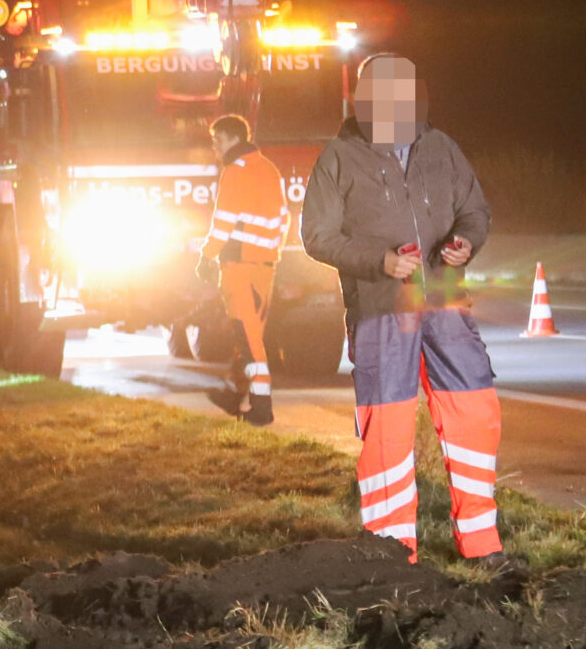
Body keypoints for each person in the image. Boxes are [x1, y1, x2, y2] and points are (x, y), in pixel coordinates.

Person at [301, 53, 514, 569]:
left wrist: (466, 242)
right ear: (363, 97)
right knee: (388, 426)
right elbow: (317, 236)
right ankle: (392, 554)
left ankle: (482, 546)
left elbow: (474, 209)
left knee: (475, 413)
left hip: (443, 299)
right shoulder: (338, 156)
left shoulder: (441, 147)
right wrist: (380, 262)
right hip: (380, 308)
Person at [199, 113, 287, 425]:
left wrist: (207, 255)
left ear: (235, 139)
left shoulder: (234, 172)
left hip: (239, 266)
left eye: (218, 141)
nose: (215, 148)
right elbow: (281, 220)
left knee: (249, 340)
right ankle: (237, 394)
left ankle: (262, 409)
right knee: (250, 336)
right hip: (265, 266)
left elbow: (222, 223)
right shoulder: (268, 168)